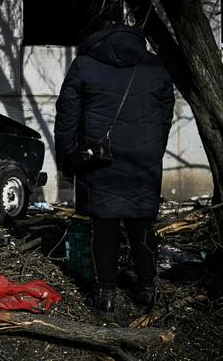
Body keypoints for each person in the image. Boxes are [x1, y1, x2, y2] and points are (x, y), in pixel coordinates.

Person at [54, 18, 175, 320]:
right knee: (142, 224)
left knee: (104, 227)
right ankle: (147, 290)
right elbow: (165, 115)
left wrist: (68, 160)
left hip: (99, 160)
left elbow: (66, 118)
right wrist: (153, 151)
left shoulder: (84, 64)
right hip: (143, 159)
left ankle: (106, 295)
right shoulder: (154, 66)